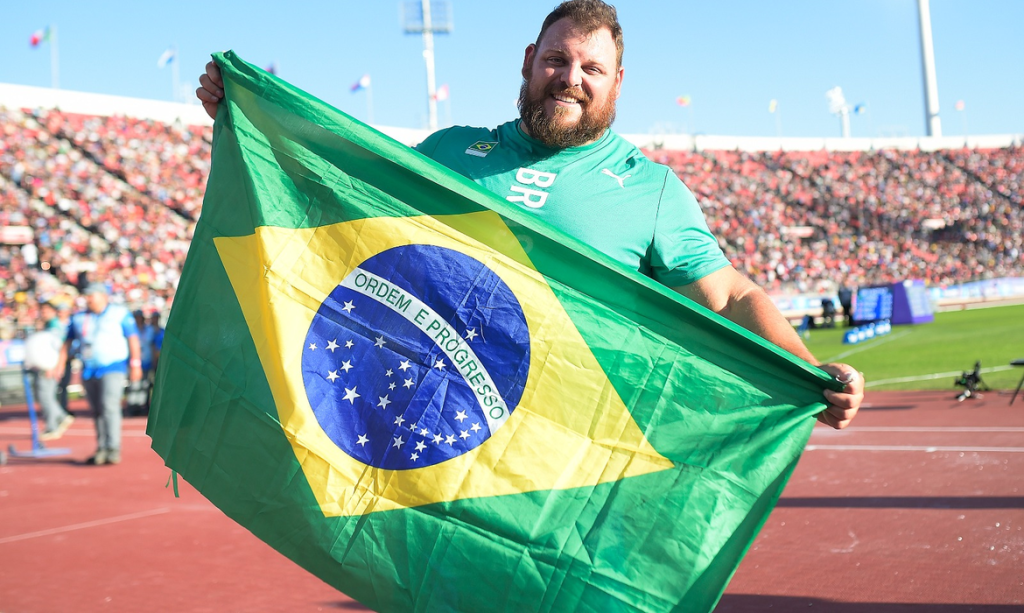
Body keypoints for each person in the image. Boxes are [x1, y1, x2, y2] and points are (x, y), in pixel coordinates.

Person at [196, 0, 863, 429]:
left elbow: (733, 294)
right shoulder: (452, 152)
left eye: (592, 68)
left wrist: (807, 367)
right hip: (439, 425)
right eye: (557, 59)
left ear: (617, 84)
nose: (571, 76)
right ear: (528, 63)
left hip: (567, 445)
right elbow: (338, 186)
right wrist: (249, 118)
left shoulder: (649, 189)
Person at [55, 283, 143, 465]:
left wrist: (135, 364)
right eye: (86, 296)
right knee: (96, 410)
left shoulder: (119, 313)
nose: (87, 299)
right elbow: (68, 342)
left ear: (103, 296)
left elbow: (133, 339)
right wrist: (60, 364)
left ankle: (113, 448)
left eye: (91, 295)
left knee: (109, 406)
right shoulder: (79, 317)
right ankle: (102, 447)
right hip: (89, 369)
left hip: (113, 367)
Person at [24, 301, 74, 440]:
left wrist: (54, 366)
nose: (43, 314)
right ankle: (57, 420)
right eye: (42, 311)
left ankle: (56, 422)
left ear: (53, 312)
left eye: (46, 311)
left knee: (46, 396)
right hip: (45, 365)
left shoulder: (55, 326)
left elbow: (58, 348)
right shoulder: (48, 326)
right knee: (44, 395)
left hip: (50, 367)